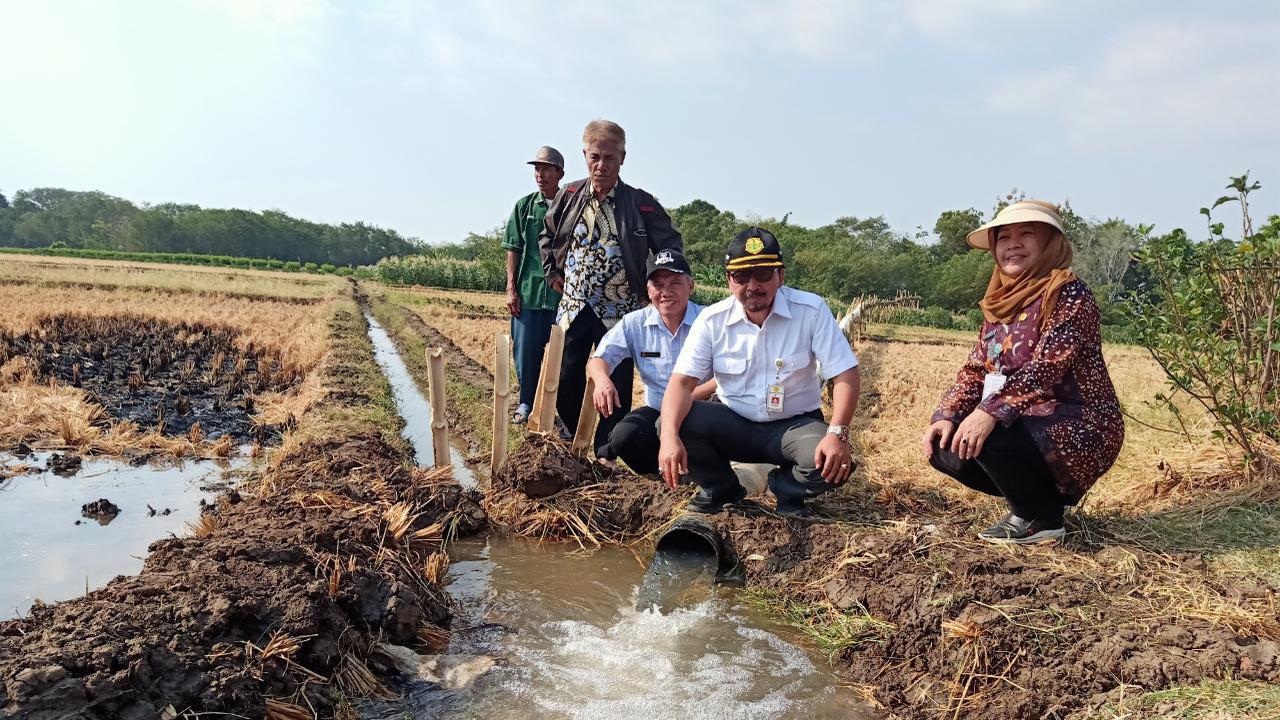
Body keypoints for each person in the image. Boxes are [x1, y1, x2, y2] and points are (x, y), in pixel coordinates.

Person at [920, 200, 1124, 544]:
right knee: (947, 446)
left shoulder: (1068, 293)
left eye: (1026, 234)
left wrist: (988, 412)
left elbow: (1046, 367)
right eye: (1004, 237)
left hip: (1080, 422)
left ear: (1049, 243)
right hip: (1026, 421)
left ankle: (1041, 518)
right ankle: (1035, 504)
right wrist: (947, 414)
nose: (1012, 244)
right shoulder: (1001, 301)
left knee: (989, 435)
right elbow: (975, 370)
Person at [658, 228, 860, 517]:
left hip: (794, 426)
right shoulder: (712, 320)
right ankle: (722, 488)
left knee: (834, 463)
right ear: (729, 281)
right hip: (733, 422)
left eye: (763, 273)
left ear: (780, 275)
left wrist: (838, 432)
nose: (752, 285)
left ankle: (786, 489)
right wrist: (668, 438)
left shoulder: (810, 311)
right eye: (741, 276)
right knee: (669, 423)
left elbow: (845, 374)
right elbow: (681, 383)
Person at [539, 119, 683, 446]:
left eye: (610, 158)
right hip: (574, 305)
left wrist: (655, 287)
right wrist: (553, 273)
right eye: (595, 157)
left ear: (622, 158)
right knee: (565, 376)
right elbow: (547, 235)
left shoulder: (639, 203)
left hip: (619, 309)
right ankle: (573, 439)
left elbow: (670, 246)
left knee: (615, 380)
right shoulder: (570, 195)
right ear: (585, 155)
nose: (602, 165)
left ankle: (608, 448)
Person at [587, 249, 716, 472]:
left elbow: (727, 376)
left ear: (690, 286)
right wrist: (602, 380)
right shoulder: (634, 323)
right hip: (658, 411)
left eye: (675, 283)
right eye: (658, 285)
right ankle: (661, 480)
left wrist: (680, 400)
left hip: (703, 409)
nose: (666, 292)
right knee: (623, 436)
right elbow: (598, 360)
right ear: (649, 290)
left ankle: (705, 472)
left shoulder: (710, 321)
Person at [502, 145, 565, 424]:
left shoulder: (571, 206)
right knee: (525, 353)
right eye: (536, 169)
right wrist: (511, 288)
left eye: (545, 169)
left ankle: (557, 411)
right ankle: (526, 403)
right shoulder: (524, 206)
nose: (539, 175)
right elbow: (513, 247)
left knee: (560, 358)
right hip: (527, 294)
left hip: (560, 298)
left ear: (559, 173)